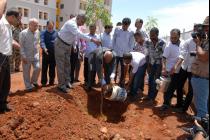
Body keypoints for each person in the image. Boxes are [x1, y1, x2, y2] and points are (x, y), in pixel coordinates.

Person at [55, 14, 100, 93]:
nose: (82, 24)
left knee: (67, 65)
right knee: (61, 65)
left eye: (83, 22)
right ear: (78, 18)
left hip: (68, 45)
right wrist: (93, 40)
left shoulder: (76, 24)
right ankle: (61, 85)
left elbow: (74, 36)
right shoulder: (71, 23)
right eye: (82, 22)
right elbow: (79, 34)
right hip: (61, 44)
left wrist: (74, 46)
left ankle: (67, 82)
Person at [173, 24, 199, 113]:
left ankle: (184, 108)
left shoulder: (204, 42)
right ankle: (179, 104)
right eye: (194, 29)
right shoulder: (187, 42)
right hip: (185, 67)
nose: (195, 31)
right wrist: (177, 64)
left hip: (194, 70)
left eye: (197, 30)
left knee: (191, 91)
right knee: (179, 86)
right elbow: (183, 53)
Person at [0, 7, 21, 113]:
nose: (18, 22)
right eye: (17, 19)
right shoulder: (1, 23)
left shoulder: (9, 26)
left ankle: (3, 105)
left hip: (6, 58)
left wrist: (18, 45)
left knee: (6, 84)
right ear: (12, 17)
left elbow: (9, 39)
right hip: (1, 57)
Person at [160, 29, 183, 111]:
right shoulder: (168, 46)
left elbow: (182, 56)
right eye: (171, 37)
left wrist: (176, 67)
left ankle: (170, 102)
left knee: (174, 87)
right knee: (167, 88)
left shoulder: (183, 44)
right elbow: (164, 58)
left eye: (175, 38)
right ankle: (165, 104)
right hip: (169, 71)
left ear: (179, 36)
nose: (172, 39)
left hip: (179, 71)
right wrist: (163, 68)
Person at [191, 16, 209, 119]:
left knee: (202, 109)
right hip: (200, 77)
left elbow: (203, 57)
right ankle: (197, 129)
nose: (205, 29)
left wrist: (198, 44)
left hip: (203, 78)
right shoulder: (206, 40)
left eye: (207, 27)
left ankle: (200, 131)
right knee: (201, 106)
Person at [144, 27, 166, 102]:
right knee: (150, 80)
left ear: (157, 34)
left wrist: (161, 67)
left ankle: (153, 98)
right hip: (150, 63)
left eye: (153, 35)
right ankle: (149, 96)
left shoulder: (162, 42)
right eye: (150, 35)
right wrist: (148, 66)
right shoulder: (147, 42)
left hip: (159, 64)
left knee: (155, 81)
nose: (151, 37)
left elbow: (164, 56)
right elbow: (146, 54)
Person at [20, 18, 41, 92]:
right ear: (29, 25)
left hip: (35, 54)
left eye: (37, 25)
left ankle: (34, 81)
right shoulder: (23, 33)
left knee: (38, 68)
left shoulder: (38, 32)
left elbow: (38, 42)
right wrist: (23, 56)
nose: (36, 27)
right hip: (26, 55)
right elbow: (21, 46)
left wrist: (38, 52)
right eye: (35, 25)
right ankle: (28, 86)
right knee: (26, 72)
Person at [112, 18, 134, 87]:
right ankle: (113, 82)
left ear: (129, 25)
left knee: (123, 69)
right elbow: (113, 39)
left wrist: (129, 54)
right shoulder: (117, 29)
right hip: (116, 53)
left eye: (126, 26)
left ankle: (121, 83)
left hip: (124, 55)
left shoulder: (131, 32)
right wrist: (113, 49)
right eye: (124, 25)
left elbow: (131, 43)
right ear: (122, 24)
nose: (124, 27)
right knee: (114, 68)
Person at [40, 20, 57, 87]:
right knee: (44, 68)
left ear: (53, 26)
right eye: (49, 27)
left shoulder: (56, 33)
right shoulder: (43, 32)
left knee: (52, 68)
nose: (50, 28)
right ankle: (44, 82)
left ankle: (51, 81)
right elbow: (42, 41)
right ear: (46, 26)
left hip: (54, 53)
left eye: (52, 27)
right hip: (46, 52)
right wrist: (44, 48)